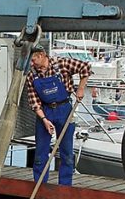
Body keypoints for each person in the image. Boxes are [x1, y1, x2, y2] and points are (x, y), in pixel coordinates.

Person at [25, 44, 91, 186]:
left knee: (66, 152)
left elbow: (85, 67)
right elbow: (34, 101)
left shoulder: (61, 64)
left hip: (64, 109)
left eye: (33, 60)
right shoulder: (32, 75)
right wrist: (44, 119)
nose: (31, 64)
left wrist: (80, 88)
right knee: (41, 152)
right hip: (45, 111)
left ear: (41, 55)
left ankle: (65, 186)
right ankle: (40, 185)